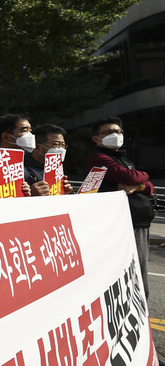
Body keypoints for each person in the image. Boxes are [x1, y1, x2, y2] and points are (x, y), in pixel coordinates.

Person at [86, 116, 155, 298]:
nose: (115, 135)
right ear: (96, 138)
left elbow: (148, 186)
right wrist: (141, 177)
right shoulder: (98, 158)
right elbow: (131, 177)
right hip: (122, 223)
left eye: (118, 131)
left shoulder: (123, 159)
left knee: (140, 269)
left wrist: (139, 184)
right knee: (133, 270)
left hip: (139, 222)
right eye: (108, 132)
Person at [0, 114, 35, 197]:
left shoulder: (26, 169)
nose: (30, 135)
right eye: (24, 130)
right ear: (6, 137)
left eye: (30, 131)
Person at [24, 124, 73, 195]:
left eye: (63, 145)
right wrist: (32, 195)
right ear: (37, 147)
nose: (61, 149)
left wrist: (64, 192)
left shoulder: (57, 171)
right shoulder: (23, 170)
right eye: (56, 144)